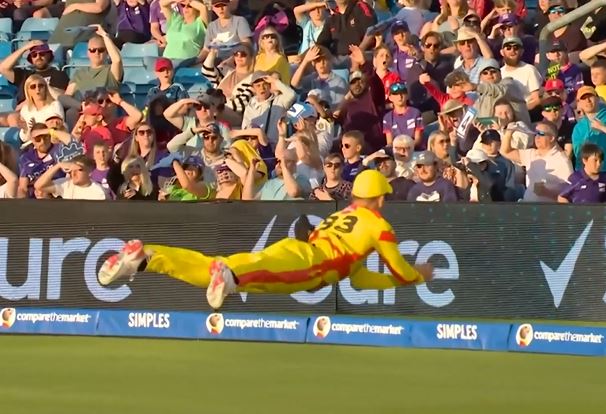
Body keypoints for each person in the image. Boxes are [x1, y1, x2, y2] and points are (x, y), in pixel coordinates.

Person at [97, 169, 434, 310]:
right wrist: (419, 275)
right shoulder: (378, 224)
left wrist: (388, 279)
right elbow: (401, 271)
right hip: (311, 266)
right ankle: (228, 277)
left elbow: (359, 279)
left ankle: (147, 259)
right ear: (379, 197)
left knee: (216, 269)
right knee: (239, 269)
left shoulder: (341, 214)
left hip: (300, 251)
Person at [500, 120, 573, 202]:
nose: (537, 137)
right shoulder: (530, 153)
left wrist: (546, 192)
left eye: (541, 134)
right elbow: (505, 151)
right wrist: (509, 133)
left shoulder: (562, 160)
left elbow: (571, 192)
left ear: (552, 138)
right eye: (536, 133)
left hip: (549, 210)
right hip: (528, 207)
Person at [34, 155, 109, 200]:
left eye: (79, 169)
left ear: (89, 172)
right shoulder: (66, 184)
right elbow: (39, 185)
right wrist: (58, 165)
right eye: (71, 170)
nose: (74, 173)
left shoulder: (98, 192)